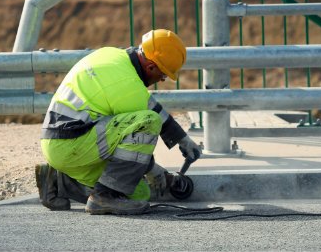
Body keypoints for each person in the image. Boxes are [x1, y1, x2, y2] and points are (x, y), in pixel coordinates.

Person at [35, 29, 201, 215]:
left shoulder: (113, 56)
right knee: (149, 122)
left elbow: (148, 104)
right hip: (72, 146)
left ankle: (59, 181)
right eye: (163, 75)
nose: (161, 80)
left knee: (140, 193)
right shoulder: (128, 85)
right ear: (151, 67)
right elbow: (138, 140)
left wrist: (182, 139)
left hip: (59, 142)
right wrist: (160, 175)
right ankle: (104, 196)